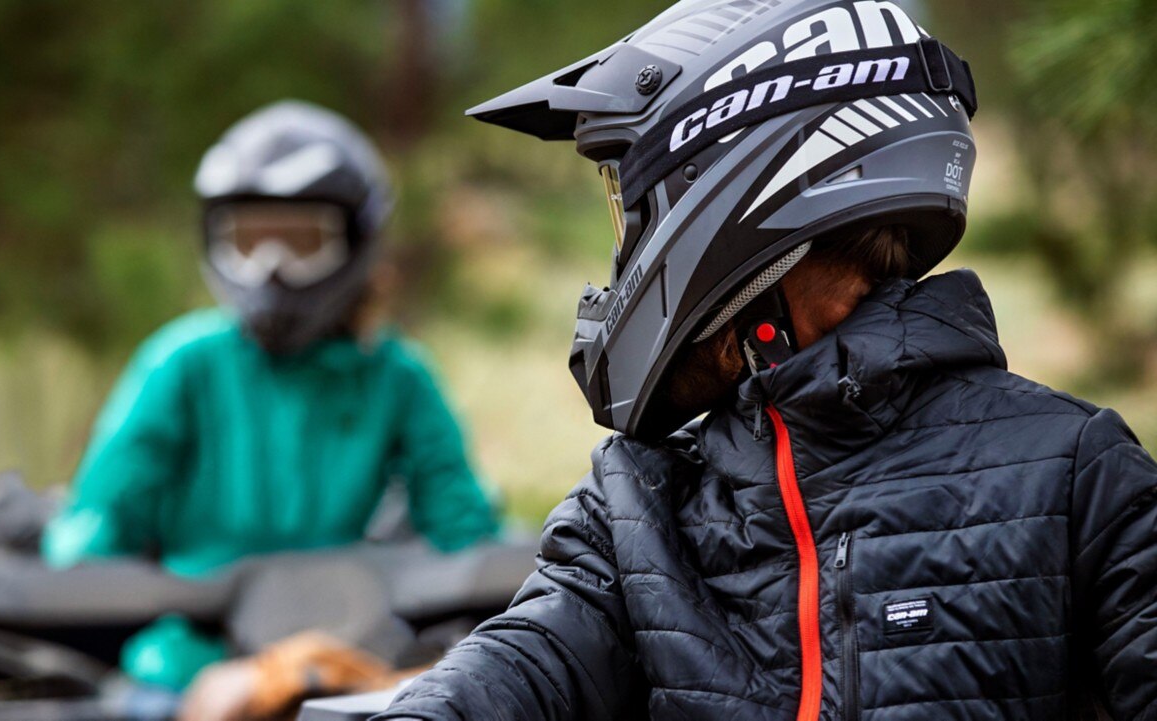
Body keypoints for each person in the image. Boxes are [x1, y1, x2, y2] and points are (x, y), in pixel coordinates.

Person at [378, 1, 1157, 719]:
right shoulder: (637, 506)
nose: (622, 257)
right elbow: (515, 670)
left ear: (737, 186)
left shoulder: (1077, 476)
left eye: (631, 207)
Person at [41, 101, 499, 692]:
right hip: (187, 663)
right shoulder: (182, 363)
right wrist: (177, 660)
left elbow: (466, 533)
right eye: (250, 242)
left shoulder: (396, 375)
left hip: (352, 657)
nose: (271, 270)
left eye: (302, 243)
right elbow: (97, 533)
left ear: (356, 242)